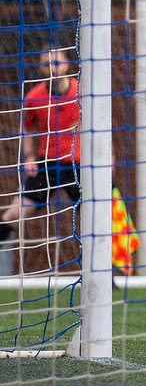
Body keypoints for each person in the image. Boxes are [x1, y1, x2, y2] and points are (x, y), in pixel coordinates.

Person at [0, 47, 81, 246]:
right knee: (13, 214)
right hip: (48, 164)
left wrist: (109, 156)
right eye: (47, 64)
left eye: (56, 63)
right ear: (41, 68)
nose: (52, 69)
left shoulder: (82, 93)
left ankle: (110, 275)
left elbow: (101, 126)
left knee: (107, 217)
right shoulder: (33, 98)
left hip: (80, 165)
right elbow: (26, 129)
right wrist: (28, 157)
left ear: (66, 63)